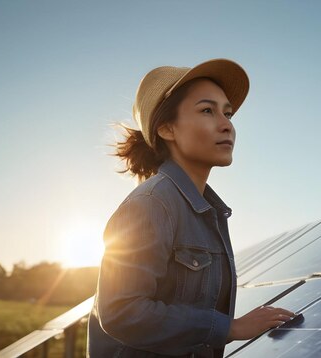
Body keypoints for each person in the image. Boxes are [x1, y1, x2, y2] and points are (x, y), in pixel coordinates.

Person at [87, 58, 295, 358]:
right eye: (207, 111)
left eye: (228, 113)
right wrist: (230, 328)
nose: (226, 125)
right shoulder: (151, 204)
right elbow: (121, 311)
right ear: (167, 129)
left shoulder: (207, 211)